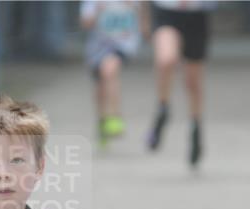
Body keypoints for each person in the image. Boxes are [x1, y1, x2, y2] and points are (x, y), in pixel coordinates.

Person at [144, 0, 216, 167]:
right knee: (166, 60)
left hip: (196, 14)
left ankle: (195, 126)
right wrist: (144, 18)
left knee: (193, 81)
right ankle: (163, 107)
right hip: (167, 10)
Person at [79, 1, 142, 145]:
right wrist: (98, 11)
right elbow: (85, 23)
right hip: (98, 47)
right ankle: (102, 120)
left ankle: (115, 117)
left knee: (109, 70)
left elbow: (140, 16)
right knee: (100, 86)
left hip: (122, 45)